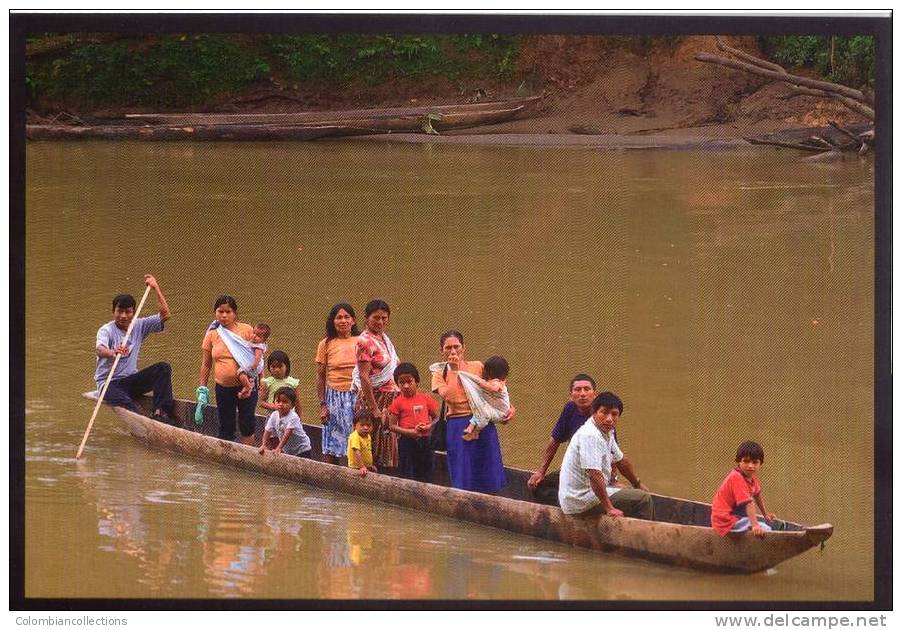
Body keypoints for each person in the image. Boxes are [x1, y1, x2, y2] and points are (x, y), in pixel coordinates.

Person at [431, 330, 509, 493]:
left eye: (456, 347)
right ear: (442, 351)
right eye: (448, 348)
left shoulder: (478, 366)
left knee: (489, 472)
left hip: (483, 424)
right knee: (463, 476)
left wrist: (509, 409)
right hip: (459, 426)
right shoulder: (440, 373)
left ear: (463, 348)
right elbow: (452, 398)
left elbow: (495, 391)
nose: (453, 351)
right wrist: (454, 370)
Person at [558, 391, 654, 519]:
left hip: (589, 492)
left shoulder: (606, 431)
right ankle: (644, 537)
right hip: (579, 500)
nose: (609, 419)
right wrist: (609, 508)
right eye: (604, 412)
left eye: (614, 414)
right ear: (594, 412)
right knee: (643, 499)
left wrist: (637, 483)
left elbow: (621, 461)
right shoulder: (590, 435)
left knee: (636, 493)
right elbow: (594, 475)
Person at [94, 274, 175, 425]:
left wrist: (156, 288)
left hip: (131, 380)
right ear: (113, 311)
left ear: (134, 312)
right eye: (120, 311)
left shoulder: (139, 325)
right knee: (131, 408)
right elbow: (100, 350)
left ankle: (160, 413)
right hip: (109, 384)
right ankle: (147, 424)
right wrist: (113, 352)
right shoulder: (106, 330)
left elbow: (166, 314)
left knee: (163, 368)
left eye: (128, 312)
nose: (124, 316)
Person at [528, 374, 600, 502]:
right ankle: (566, 503)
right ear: (571, 395)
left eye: (587, 389)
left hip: (594, 473)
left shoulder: (602, 415)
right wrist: (541, 471)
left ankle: (571, 503)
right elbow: (555, 440)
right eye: (578, 390)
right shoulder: (570, 409)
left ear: (595, 394)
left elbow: (613, 452)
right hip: (572, 469)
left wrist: (612, 480)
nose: (582, 394)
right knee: (537, 486)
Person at [198, 295, 259, 445]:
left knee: (247, 425)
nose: (224, 316)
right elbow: (206, 364)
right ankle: (226, 460)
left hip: (247, 386)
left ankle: (247, 459)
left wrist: (260, 381)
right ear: (215, 312)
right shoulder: (212, 334)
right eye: (220, 311)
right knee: (226, 427)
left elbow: (259, 355)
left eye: (228, 312)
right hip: (223, 388)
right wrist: (202, 389)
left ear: (235, 313)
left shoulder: (246, 330)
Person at [352, 299, 400, 470]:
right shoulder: (364, 341)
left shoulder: (385, 339)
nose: (380, 322)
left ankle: (386, 476)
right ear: (366, 318)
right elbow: (364, 377)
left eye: (384, 318)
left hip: (390, 399)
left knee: (388, 441)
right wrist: (374, 408)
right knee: (373, 442)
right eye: (376, 318)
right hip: (374, 399)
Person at [315, 303, 360, 464]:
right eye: (339, 317)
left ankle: (356, 472)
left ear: (353, 321)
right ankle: (329, 477)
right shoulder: (325, 344)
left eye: (347, 317)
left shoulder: (361, 341)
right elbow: (320, 377)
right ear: (333, 322)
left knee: (357, 438)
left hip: (357, 396)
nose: (343, 321)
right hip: (334, 397)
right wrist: (322, 405)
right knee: (331, 443)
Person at [711, 441, 777, 537]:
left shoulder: (750, 476)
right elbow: (749, 503)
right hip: (725, 520)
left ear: (760, 464)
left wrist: (765, 515)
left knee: (762, 524)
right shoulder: (736, 477)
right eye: (746, 461)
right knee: (766, 529)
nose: (750, 466)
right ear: (739, 461)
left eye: (755, 462)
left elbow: (757, 495)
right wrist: (755, 526)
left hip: (737, 516)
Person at [387, 363, 439, 481]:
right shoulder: (397, 402)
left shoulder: (425, 398)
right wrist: (409, 432)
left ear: (417, 382)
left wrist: (428, 426)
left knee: (426, 471)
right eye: (401, 382)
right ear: (397, 384)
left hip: (426, 440)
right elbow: (392, 425)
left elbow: (437, 418)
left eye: (409, 382)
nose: (406, 386)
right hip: (406, 442)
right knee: (407, 472)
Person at [461, 355, 511, 442]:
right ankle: (471, 427)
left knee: (484, 413)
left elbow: (494, 389)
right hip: (497, 408)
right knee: (480, 409)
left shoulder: (497, 382)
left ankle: (475, 432)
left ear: (489, 372)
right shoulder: (498, 381)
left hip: (500, 412)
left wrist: (480, 382)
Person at [258, 387, 312, 458]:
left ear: (292, 405)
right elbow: (268, 430)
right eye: (278, 401)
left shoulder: (293, 417)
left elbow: (287, 433)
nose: (281, 404)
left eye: (284, 402)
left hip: (302, 449)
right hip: (289, 450)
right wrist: (264, 445)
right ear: (274, 402)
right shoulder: (274, 415)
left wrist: (279, 448)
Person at [258, 350, 303, 415]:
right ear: (269, 367)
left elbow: (297, 402)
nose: (277, 370)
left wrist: (299, 420)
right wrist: (273, 406)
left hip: (289, 417)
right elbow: (261, 402)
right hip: (272, 416)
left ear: (286, 367)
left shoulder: (293, 383)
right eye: (273, 367)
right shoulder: (267, 383)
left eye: (280, 366)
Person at [236, 323, 271, 399]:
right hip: (259, 367)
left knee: (240, 373)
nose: (254, 336)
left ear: (264, 339)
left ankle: (247, 386)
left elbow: (258, 357)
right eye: (254, 333)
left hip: (255, 365)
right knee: (250, 378)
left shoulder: (258, 347)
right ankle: (247, 391)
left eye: (258, 336)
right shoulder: (255, 343)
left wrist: (254, 366)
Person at [347, 410, 377, 477]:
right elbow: (357, 452)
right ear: (355, 426)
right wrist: (362, 466)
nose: (365, 428)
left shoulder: (368, 436)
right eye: (362, 425)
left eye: (368, 425)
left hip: (364, 468)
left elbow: (367, 451)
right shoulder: (355, 436)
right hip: (356, 468)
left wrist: (369, 466)